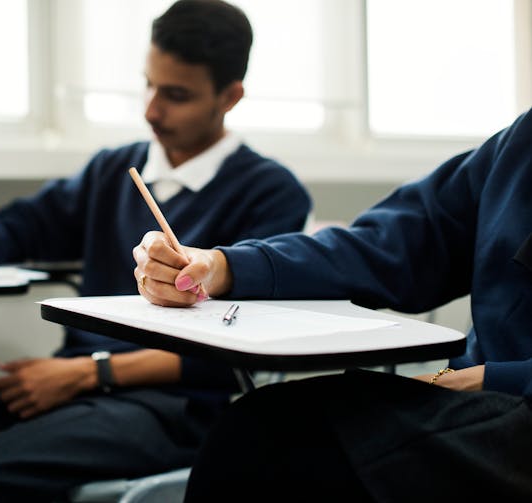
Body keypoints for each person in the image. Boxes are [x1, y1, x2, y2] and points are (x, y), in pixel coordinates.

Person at [0, 1, 312, 501]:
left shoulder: (270, 193)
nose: (151, 110)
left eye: (176, 95)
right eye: (149, 85)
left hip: (174, 408)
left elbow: (229, 353)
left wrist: (88, 373)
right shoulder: (114, 169)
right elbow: (32, 222)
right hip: (81, 385)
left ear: (230, 96)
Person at [132, 107, 532, 501]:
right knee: (266, 425)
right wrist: (224, 267)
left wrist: (489, 379)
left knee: (273, 450)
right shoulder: (521, 145)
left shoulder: (264, 185)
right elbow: (390, 245)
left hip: (505, 406)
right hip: (477, 398)